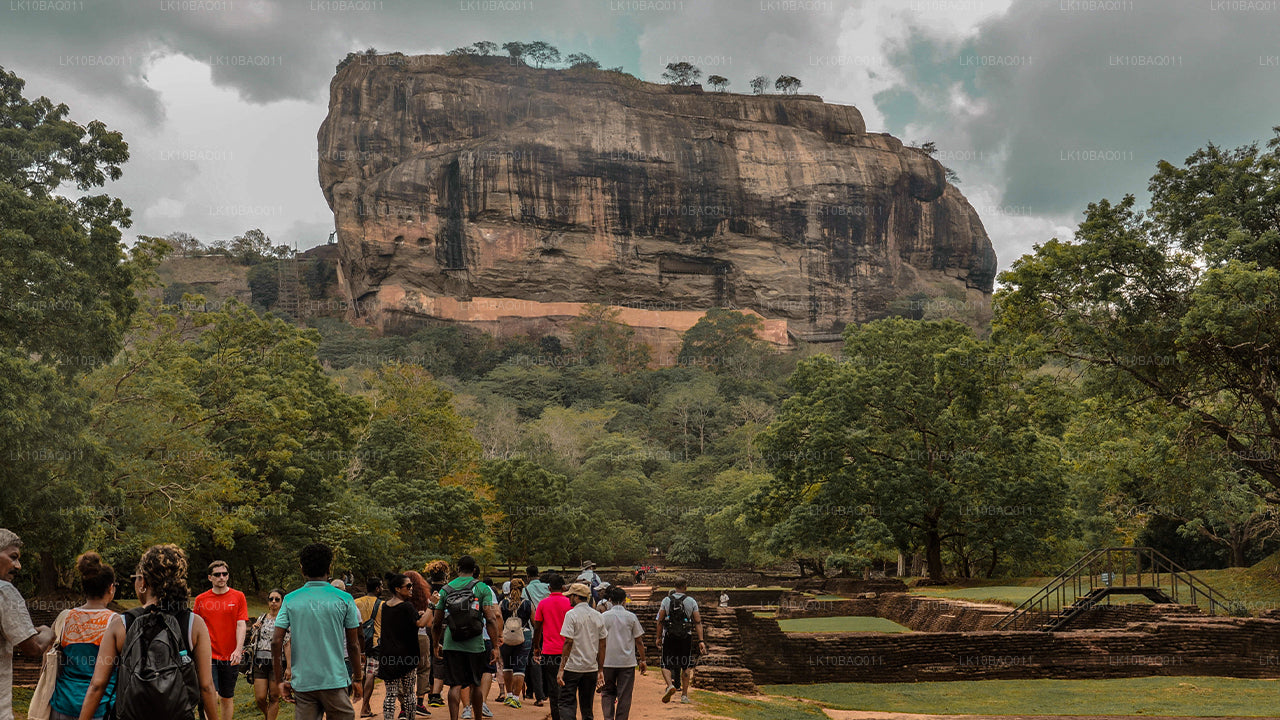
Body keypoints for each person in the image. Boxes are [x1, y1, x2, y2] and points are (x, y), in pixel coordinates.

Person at [78, 544, 220, 720]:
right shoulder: (194, 623)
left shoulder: (121, 624)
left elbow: (97, 685)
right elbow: (206, 686)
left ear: (143, 582)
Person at [272, 543, 364, 720]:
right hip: (335, 680)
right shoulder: (344, 598)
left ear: (302, 569)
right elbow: (353, 644)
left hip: (304, 683)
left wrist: (279, 681)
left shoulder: (291, 599)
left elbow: (276, 642)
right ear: (329, 568)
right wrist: (358, 678)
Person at [430, 556, 500, 720]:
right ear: (474, 569)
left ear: (458, 568)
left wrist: (435, 644)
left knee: (455, 685)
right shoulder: (482, 588)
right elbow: (490, 618)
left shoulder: (445, 589)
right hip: (476, 645)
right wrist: (496, 646)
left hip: (451, 643)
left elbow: (436, 622)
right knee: (475, 684)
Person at [50, 552, 117, 720]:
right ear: (111, 588)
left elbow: (48, 661)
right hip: (100, 708)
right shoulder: (116, 622)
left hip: (62, 705)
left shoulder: (65, 617)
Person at [193, 560, 249, 720]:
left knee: (227, 697)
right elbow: (195, 627)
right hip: (207, 656)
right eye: (217, 574)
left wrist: (238, 650)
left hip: (231, 656)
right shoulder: (201, 600)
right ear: (210, 577)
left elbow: (241, 625)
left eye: (224, 574)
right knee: (211, 695)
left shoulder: (238, 596)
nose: (221, 577)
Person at [378, 574, 427, 720]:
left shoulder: (385, 606)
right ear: (398, 589)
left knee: (390, 694)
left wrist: (416, 615)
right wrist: (432, 606)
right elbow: (421, 624)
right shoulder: (407, 606)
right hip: (407, 656)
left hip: (388, 656)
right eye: (408, 586)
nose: (411, 589)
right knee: (409, 693)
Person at [556, 583, 606, 720]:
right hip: (590, 667)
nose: (569, 599)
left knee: (566, 702)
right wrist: (600, 669)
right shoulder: (597, 616)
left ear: (576, 597)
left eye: (570, 596)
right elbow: (602, 645)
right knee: (587, 706)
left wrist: (561, 668)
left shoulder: (571, 615)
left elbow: (568, 642)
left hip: (572, 666)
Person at [655, 579, 705, 705]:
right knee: (686, 665)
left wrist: (658, 637)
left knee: (665, 663)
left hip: (670, 636)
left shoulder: (666, 600)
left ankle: (670, 685)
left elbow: (660, 621)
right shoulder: (691, 601)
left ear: (675, 587)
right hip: (685, 637)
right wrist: (701, 640)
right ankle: (684, 695)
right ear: (685, 587)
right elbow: (697, 622)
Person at [598, 587, 645, 720]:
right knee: (624, 694)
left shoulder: (603, 617)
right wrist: (643, 660)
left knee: (607, 692)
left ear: (610, 600)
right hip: (626, 662)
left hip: (607, 661)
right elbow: (639, 641)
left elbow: (598, 640)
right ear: (624, 601)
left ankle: (608, 717)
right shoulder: (631, 617)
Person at [531, 573, 570, 720]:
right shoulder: (569, 603)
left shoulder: (543, 604)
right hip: (568, 652)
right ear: (564, 587)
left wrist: (536, 646)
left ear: (549, 588)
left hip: (549, 651)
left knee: (553, 688)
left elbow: (537, 628)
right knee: (568, 687)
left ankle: (556, 716)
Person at [248, 589, 290, 720]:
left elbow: (287, 644)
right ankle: (268, 716)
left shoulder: (285, 621)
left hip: (277, 662)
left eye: (277, 599)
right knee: (260, 698)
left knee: (273, 696)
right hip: (260, 661)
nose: (273, 602)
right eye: (271, 599)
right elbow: (253, 641)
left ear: (282, 602)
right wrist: (254, 630)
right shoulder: (262, 618)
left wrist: (289, 666)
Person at [497, 578, 533, 709]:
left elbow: (498, 618)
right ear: (522, 588)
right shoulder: (527, 603)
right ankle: (516, 698)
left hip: (506, 636)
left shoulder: (503, 603)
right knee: (520, 667)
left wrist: (499, 635)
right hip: (524, 635)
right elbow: (534, 621)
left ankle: (509, 695)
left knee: (507, 666)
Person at [353, 577, 385, 718]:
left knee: (362, 673)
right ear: (377, 588)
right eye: (381, 586)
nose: (382, 589)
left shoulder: (356, 602)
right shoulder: (382, 604)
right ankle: (364, 707)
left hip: (358, 642)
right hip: (375, 642)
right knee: (371, 673)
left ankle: (366, 707)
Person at [521, 565, 549, 707]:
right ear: (539, 574)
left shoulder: (525, 590)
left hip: (533, 629)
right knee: (547, 659)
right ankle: (546, 690)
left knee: (532, 660)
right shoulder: (547, 587)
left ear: (527, 576)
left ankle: (531, 691)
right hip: (548, 629)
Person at [422, 561, 449, 710]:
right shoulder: (447, 589)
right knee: (440, 658)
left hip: (427, 625)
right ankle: (436, 693)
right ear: (445, 575)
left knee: (429, 658)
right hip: (443, 626)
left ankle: (428, 691)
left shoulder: (425, 589)